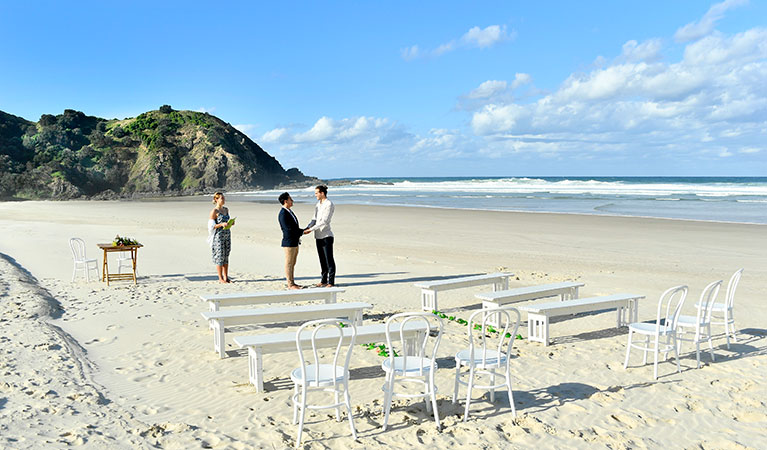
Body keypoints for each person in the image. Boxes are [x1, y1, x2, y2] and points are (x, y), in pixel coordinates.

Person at [304, 185, 336, 287]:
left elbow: (324, 222)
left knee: (329, 259)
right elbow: (314, 219)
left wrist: (310, 230)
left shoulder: (329, 204)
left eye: (317, 193)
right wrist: (306, 228)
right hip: (318, 236)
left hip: (326, 236)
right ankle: (323, 280)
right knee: (322, 259)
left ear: (322, 193)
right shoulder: (318, 204)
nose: (315, 195)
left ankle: (331, 282)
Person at [278, 192, 303, 290]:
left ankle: (292, 282)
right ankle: (290, 284)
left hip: (294, 240)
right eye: (290, 199)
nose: (292, 201)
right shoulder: (283, 213)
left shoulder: (289, 211)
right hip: (289, 242)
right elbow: (288, 229)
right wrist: (302, 232)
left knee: (293, 262)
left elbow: (294, 226)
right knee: (289, 263)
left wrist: (301, 231)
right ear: (285, 201)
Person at [207, 192, 233, 283]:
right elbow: (211, 226)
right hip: (219, 236)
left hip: (227, 234)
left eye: (224, 198)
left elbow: (227, 220)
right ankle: (220, 277)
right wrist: (221, 224)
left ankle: (226, 277)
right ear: (216, 199)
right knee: (220, 256)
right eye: (222, 198)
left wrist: (230, 223)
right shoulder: (214, 211)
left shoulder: (226, 210)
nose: (224, 200)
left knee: (226, 255)